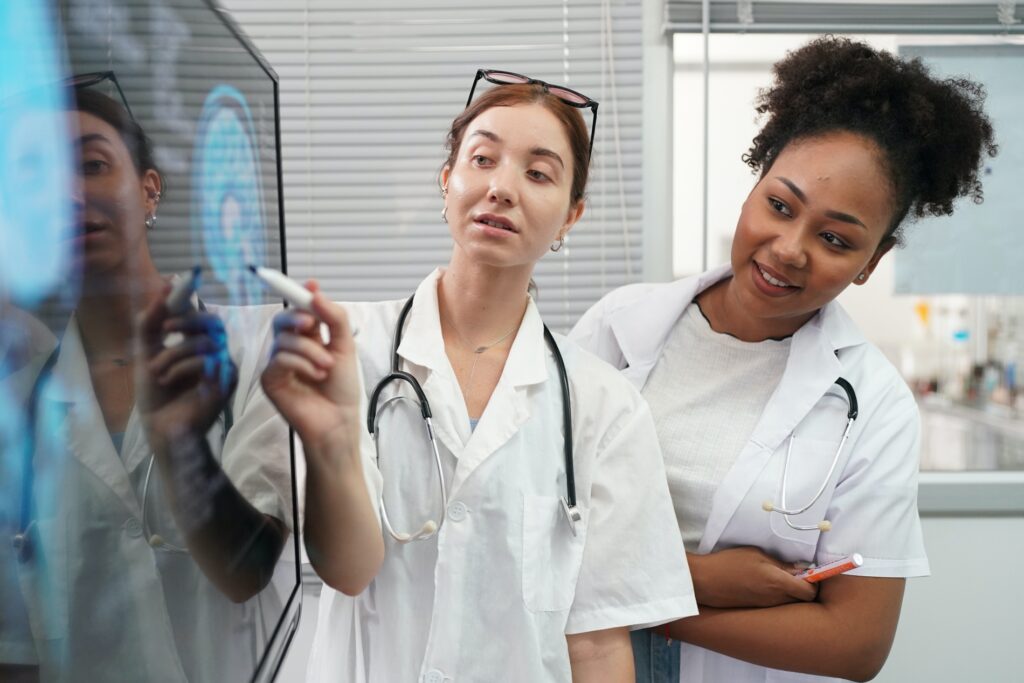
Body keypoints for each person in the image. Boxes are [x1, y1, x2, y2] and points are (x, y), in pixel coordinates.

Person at [571, 36, 997, 683]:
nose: (789, 248)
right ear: (754, 187)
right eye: (779, 204)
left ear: (870, 264)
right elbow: (536, 524)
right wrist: (704, 579)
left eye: (835, 237)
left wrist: (650, 609)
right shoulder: (617, 326)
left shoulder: (875, 406)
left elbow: (854, 642)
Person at [261, 70, 698, 682]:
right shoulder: (348, 351)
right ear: (447, 182)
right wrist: (331, 439)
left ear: (571, 216)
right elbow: (347, 571)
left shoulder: (604, 406)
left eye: (538, 173)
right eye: (483, 158)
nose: (501, 188)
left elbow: (598, 643)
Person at [3, 81, 292, 682]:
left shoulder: (256, 347)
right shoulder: (22, 404)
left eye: (92, 164)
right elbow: (18, 652)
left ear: (148, 189)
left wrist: (182, 441)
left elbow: (248, 572)